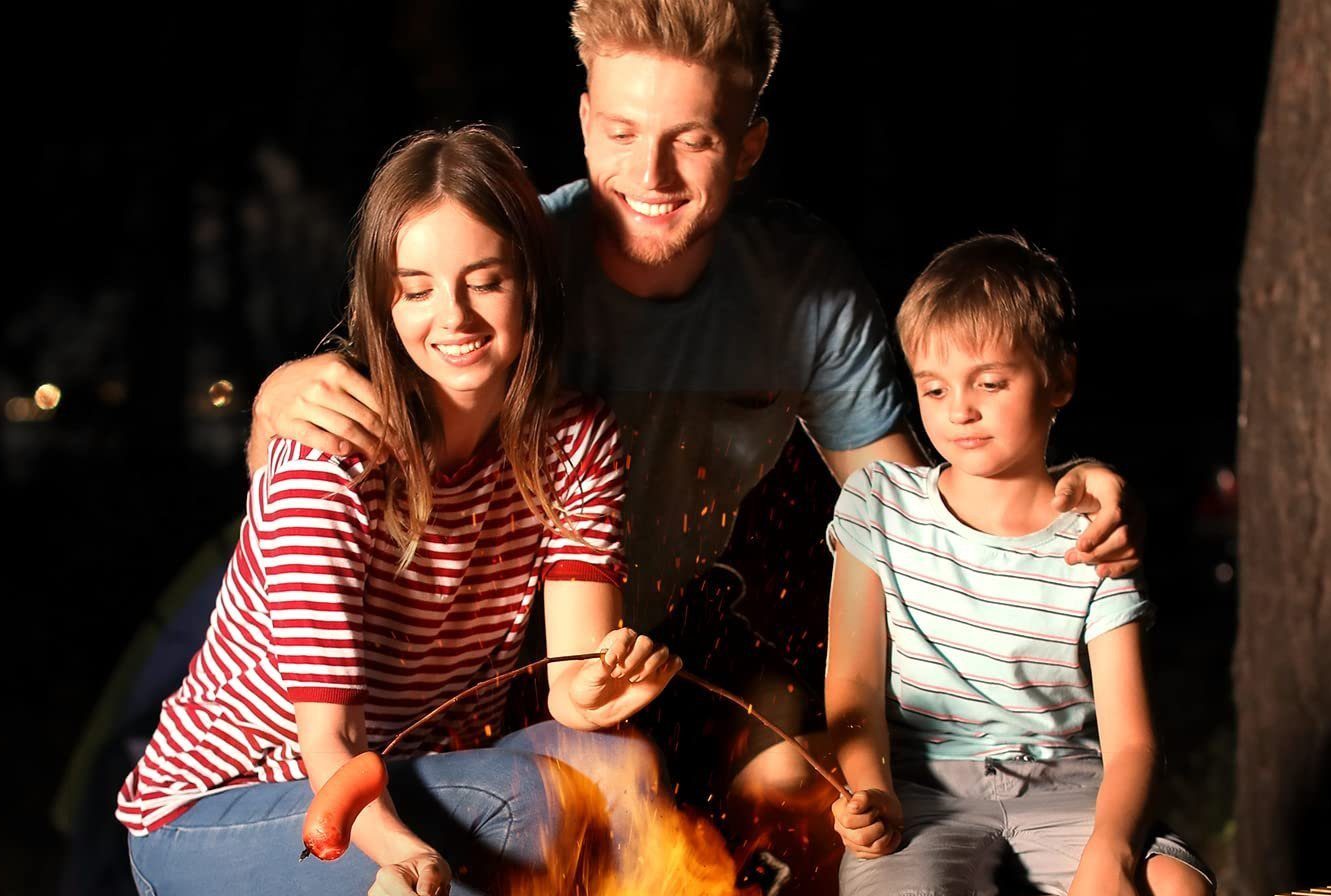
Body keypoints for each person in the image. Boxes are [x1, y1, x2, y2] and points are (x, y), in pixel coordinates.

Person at [247, 0, 1142, 824]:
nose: (652, 173)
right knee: (594, 803)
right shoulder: (511, 259)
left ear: (748, 148)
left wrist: (1056, 481)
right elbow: (324, 461)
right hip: (502, 664)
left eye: (695, 140)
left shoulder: (800, 286)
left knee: (803, 790)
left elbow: (913, 511)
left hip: (680, 636)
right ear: (586, 120)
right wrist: (274, 399)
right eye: (623, 132)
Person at [116, 126, 678, 896]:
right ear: (382, 302)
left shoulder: (575, 440)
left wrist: (603, 687)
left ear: (532, 284)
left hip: (416, 778)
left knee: (621, 768)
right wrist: (402, 853)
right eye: (415, 289)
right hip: (219, 824)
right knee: (522, 803)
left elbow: (572, 678)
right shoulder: (327, 460)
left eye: (485, 281)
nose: (451, 318)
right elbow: (331, 743)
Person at [825, 235, 1216, 896]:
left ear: (1058, 381)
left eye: (989, 382)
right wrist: (860, 783)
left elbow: (1131, 739)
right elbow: (851, 691)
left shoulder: (1091, 538)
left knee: (1175, 885)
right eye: (935, 386)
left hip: (1059, 780)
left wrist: (1105, 853)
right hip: (922, 784)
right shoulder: (881, 511)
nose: (958, 409)